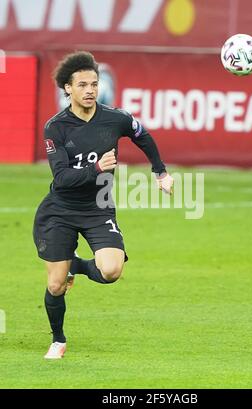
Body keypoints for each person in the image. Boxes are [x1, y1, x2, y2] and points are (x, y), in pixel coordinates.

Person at [33, 51, 174, 359]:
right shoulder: (55, 128)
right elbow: (62, 178)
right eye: (82, 84)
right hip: (60, 210)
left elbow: (143, 136)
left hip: (99, 206)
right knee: (56, 286)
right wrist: (96, 169)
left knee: (111, 271)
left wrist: (159, 171)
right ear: (68, 88)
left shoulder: (116, 118)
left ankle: (76, 266)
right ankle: (58, 339)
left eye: (94, 84)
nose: (90, 90)